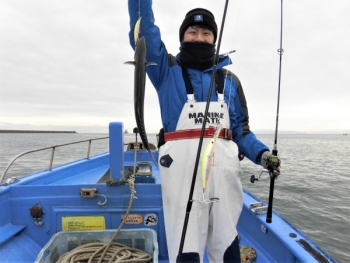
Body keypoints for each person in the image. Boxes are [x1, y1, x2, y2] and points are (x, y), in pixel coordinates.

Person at [128, 2, 277, 262]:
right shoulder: (166, 70)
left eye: (206, 34)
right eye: (193, 32)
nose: (200, 38)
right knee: (186, 248)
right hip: (181, 178)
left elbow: (241, 132)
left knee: (227, 245)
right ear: (182, 37)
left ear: (215, 40)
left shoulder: (230, 80)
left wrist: (263, 155)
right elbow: (144, 32)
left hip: (225, 178)